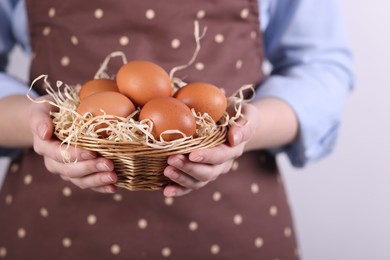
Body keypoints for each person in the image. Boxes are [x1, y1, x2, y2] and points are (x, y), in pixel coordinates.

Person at [0, 0, 354, 259]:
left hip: (231, 215)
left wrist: (246, 127)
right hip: (56, 218)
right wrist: (46, 124)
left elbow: (319, 65)